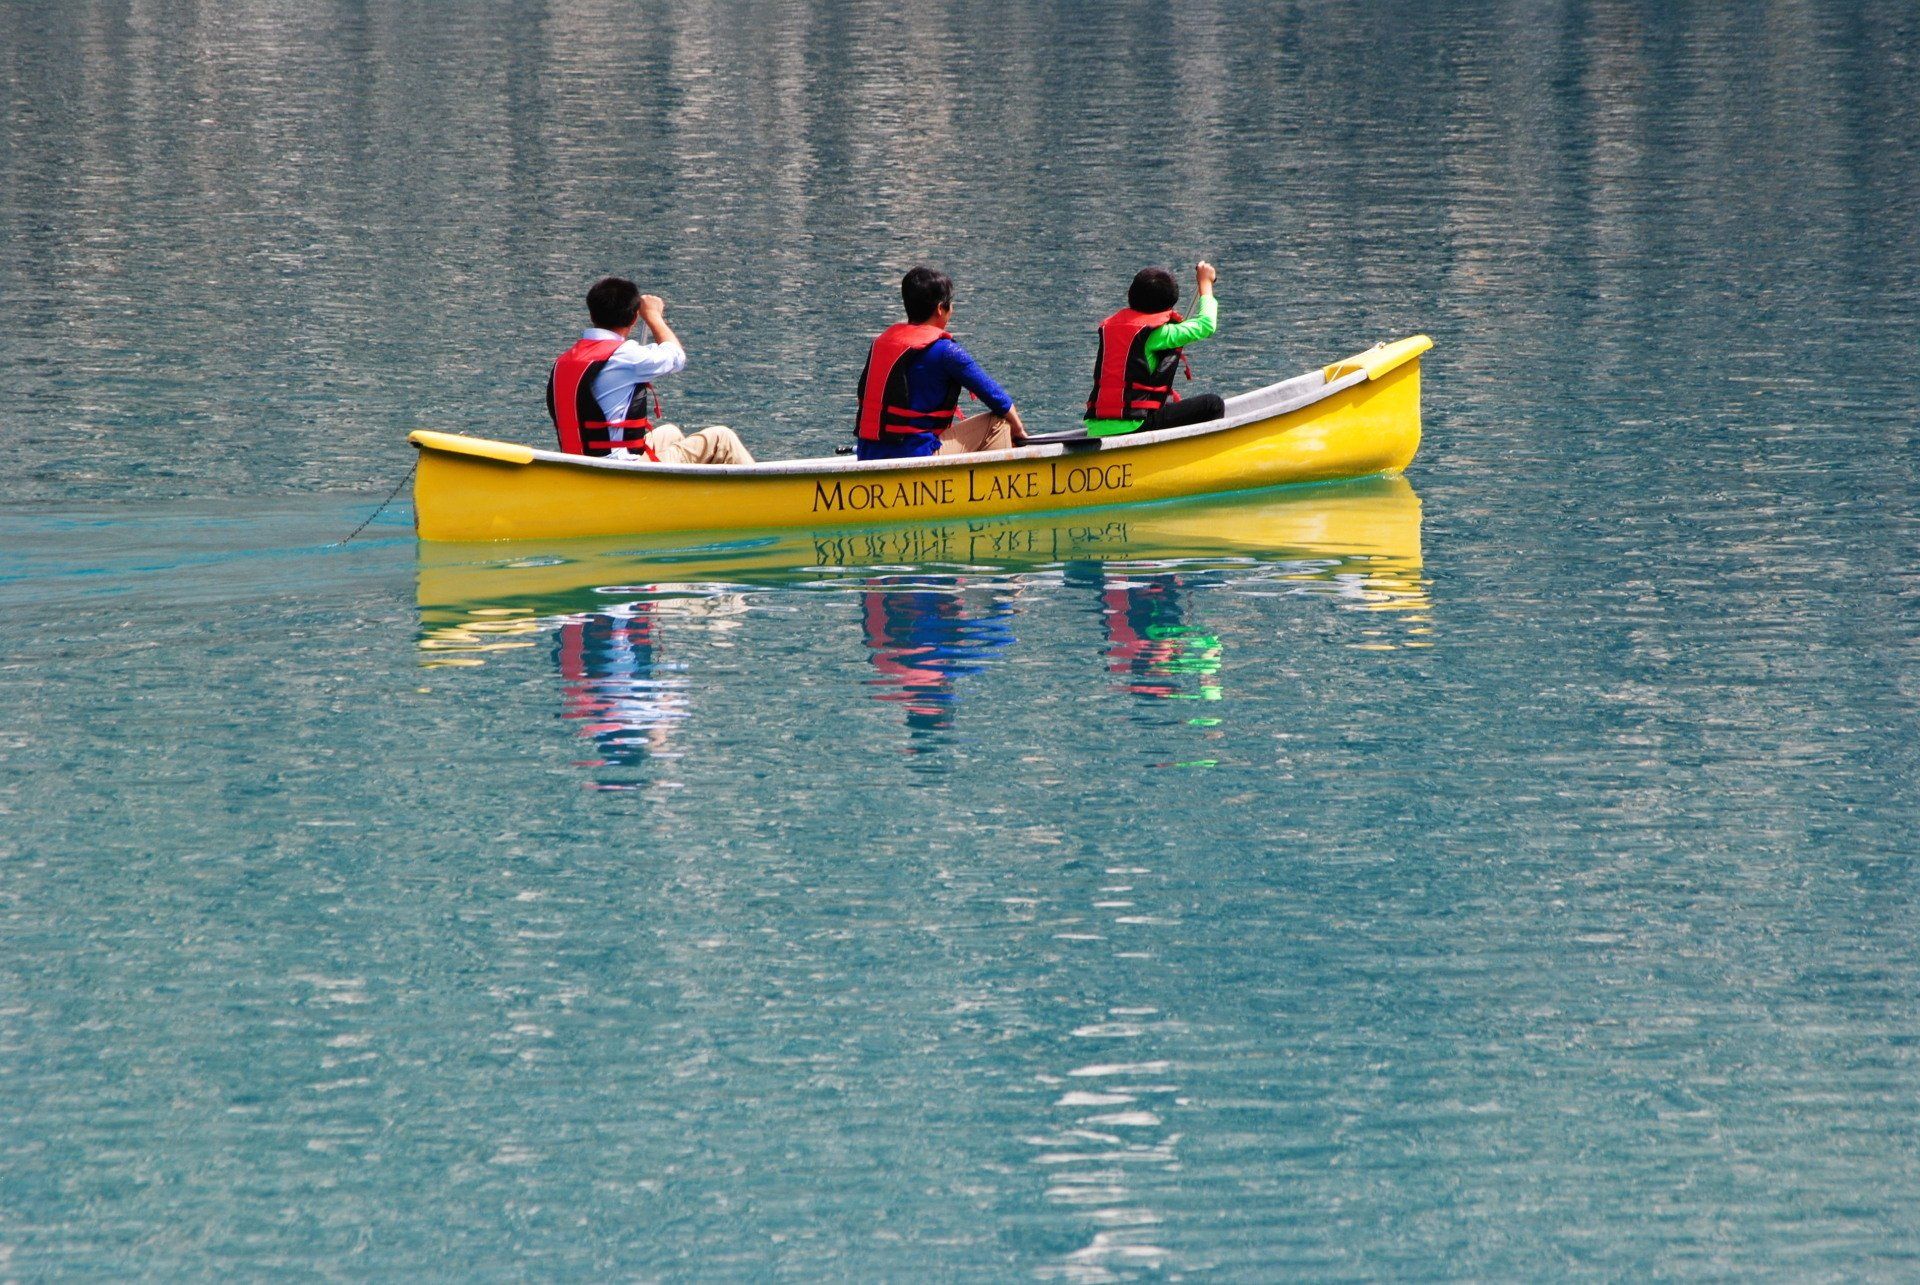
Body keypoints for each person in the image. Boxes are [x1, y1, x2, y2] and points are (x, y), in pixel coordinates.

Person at [546, 276, 754, 464]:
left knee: (670, 433)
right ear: (634, 319)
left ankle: (680, 495)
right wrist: (653, 315)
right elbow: (676, 357)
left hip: (579, 463)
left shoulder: (564, 360)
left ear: (592, 315)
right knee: (721, 439)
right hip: (617, 469)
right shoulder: (625, 355)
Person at [855, 266, 1029, 461]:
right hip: (916, 455)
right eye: (950, 304)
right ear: (940, 309)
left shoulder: (881, 343)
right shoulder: (946, 351)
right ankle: (993, 485)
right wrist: (1018, 430)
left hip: (867, 454)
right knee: (999, 422)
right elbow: (996, 397)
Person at [1083, 260, 1226, 437]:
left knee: (1165, 406)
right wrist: (1205, 282)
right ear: (1168, 306)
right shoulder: (1157, 334)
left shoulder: (1109, 328)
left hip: (1096, 425)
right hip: (1136, 425)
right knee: (1213, 404)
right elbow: (1206, 325)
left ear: (1130, 295)